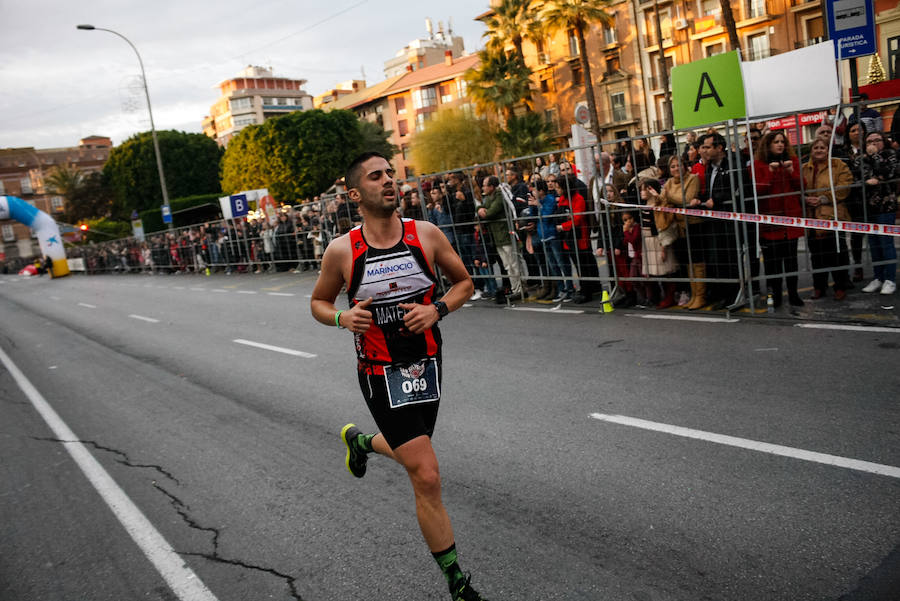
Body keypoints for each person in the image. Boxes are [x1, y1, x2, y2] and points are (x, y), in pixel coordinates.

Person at [309, 152, 487, 601]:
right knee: (425, 472)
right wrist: (342, 319)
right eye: (376, 176)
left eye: (391, 173)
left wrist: (438, 309)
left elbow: (465, 283)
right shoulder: (342, 251)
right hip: (378, 370)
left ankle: (362, 441)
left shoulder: (424, 235)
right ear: (355, 194)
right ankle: (458, 583)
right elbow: (319, 302)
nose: (390, 180)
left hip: (428, 363)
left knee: (415, 452)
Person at [754, 131, 805, 306]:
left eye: (782, 142)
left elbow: (802, 186)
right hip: (770, 221)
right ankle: (775, 295)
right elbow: (758, 190)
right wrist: (770, 172)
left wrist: (791, 171)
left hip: (790, 219)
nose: (780, 145)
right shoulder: (758, 164)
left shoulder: (792, 161)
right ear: (768, 145)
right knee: (772, 263)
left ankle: (793, 294)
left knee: (791, 260)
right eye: (776, 142)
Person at [802, 138, 854, 300]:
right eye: (815, 147)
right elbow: (797, 187)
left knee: (837, 253)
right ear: (811, 151)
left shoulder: (838, 165)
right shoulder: (804, 168)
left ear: (828, 149)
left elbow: (844, 186)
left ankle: (840, 286)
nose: (819, 150)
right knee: (816, 255)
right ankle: (819, 287)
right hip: (811, 217)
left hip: (833, 215)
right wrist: (804, 199)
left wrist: (823, 198)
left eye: (822, 147)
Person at [853, 131, 897, 295]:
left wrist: (876, 157)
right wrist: (870, 179)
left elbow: (889, 173)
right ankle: (878, 277)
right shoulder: (860, 159)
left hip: (886, 207)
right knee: (874, 244)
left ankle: (890, 279)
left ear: (884, 141)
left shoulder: (890, 155)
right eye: (869, 141)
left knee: (886, 243)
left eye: (877, 140)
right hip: (868, 208)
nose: (873, 144)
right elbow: (859, 178)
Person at [478, 175, 523, 302]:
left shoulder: (499, 196)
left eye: (485, 185)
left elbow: (491, 212)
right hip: (497, 237)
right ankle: (515, 289)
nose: (483, 187)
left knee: (514, 263)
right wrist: (480, 208)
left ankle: (520, 289)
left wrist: (484, 211)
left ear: (492, 187)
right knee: (507, 265)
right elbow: (480, 208)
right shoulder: (488, 198)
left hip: (505, 234)